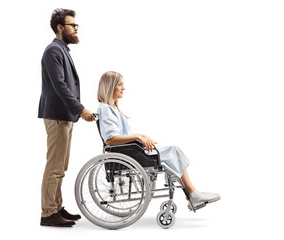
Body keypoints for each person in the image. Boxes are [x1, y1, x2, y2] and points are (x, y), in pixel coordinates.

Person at [97, 71, 220, 210]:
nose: (123, 88)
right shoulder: (105, 109)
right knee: (173, 150)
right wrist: (138, 137)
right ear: (110, 86)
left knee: (174, 152)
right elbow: (111, 139)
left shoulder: (111, 109)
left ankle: (192, 193)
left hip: (131, 150)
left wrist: (141, 136)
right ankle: (193, 193)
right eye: (120, 84)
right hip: (127, 153)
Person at [38, 8, 95, 227]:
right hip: (58, 116)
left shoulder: (62, 50)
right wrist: (81, 109)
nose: (76, 29)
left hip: (65, 116)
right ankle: (47, 213)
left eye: (76, 25)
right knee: (54, 167)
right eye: (73, 25)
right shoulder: (53, 50)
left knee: (60, 167)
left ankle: (57, 207)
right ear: (60, 28)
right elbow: (59, 86)